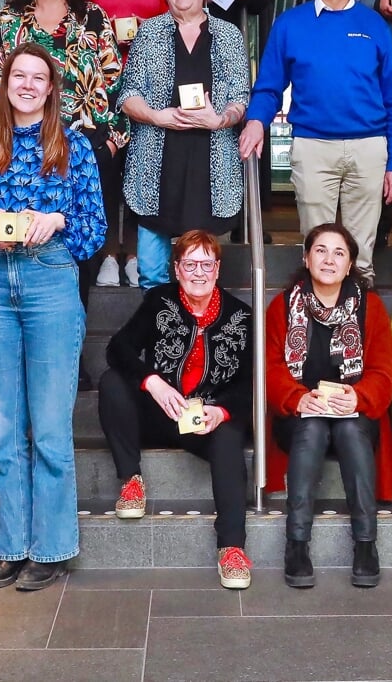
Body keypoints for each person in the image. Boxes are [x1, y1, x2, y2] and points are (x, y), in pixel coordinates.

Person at [0, 44, 108, 591]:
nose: (26, 84)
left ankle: (50, 549)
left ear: (51, 89)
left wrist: (55, 218)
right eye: (17, 76)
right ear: (5, 86)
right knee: (3, 427)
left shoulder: (75, 148)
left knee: (48, 427)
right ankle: (10, 548)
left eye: (37, 77)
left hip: (50, 280)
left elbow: (94, 231)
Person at [240, 0, 392, 284]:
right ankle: (319, 331)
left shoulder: (374, 24)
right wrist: (256, 121)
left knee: (360, 256)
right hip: (313, 148)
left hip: (369, 148)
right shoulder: (290, 24)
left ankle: (354, 330)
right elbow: (269, 86)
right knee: (318, 251)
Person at [98, 230, 254, 590]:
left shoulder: (241, 316)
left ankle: (231, 547)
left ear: (217, 270)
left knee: (230, 437)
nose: (198, 272)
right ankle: (131, 480)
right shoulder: (159, 301)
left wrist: (222, 412)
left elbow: (249, 384)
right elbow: (118, 348)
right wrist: (152, 381)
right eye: (190, 264)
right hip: (160, 413)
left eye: (206, 264)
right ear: (177, 270)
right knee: (112, 382)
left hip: (205, 420)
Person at [0, 0, 124, 312]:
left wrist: (110, 141)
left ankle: (71, 357)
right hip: (22, 151)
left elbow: (115, 79)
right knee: (24, 246)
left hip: (84, 149)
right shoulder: (9, 20)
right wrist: (14, 124)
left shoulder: (92, 18)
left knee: (78, 252)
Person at [262, 223, 392, 590]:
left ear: (350, 263)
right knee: (313, 427)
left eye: (339, 253)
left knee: (351, 430)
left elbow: (384, 371)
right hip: (300, 416)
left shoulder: (369, 308)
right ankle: (297, 543)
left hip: (354, 413)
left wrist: (358, 396)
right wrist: (297, 398)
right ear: (306, 259)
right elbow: (270, 367)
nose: (329, 259)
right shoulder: (283, 305)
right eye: (320, 250)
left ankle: (366, 544)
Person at [118, 0, 249, 287]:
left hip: (210, 163)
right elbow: (127, 94)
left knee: (202, 270)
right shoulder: (148, 34)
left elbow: (240, 98)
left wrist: (219, 119)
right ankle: (159, 331)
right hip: (156, 162)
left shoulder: (228, 34)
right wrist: (157, 116)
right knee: (151, 273)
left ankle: (197, 337)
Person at [84, 0, 166, 288]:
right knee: (103, 171)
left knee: (141, 171)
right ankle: (104, 256)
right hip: (96, 87)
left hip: (147, 83)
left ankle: (133, 253)